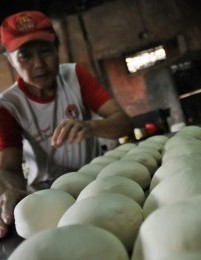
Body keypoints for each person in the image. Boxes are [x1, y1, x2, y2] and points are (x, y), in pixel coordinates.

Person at [0, 10, 134, 237]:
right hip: (46, 194)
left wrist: (92, 126)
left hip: (97, 181)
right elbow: (8, 167)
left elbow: (124, 123)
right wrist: (10, 189)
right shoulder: (8, 105)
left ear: (57, 47)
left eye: (45, 51)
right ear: (9, 59)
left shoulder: (74, 76)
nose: (39, 63)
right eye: (25, 56)